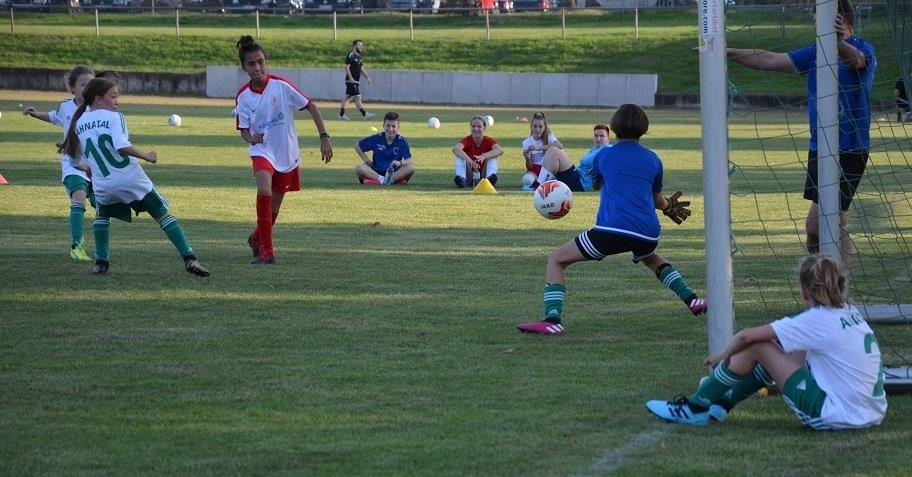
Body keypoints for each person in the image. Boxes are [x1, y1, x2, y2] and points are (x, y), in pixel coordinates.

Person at [517, 104, 706, 336]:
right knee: (650, 257)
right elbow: (657, 199)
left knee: (556, 259)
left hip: (612, 230)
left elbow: (597, 183)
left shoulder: (604, 156)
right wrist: (668, 207)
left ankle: (552, 320)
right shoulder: (653, 159)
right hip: (648, 232)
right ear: (644, 128)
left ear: (614, 128)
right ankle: (692, 299)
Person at [647, 254, 887, 430]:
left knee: (758, 346)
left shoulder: (818, 320)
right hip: (869, 413)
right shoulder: (849, 313)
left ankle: (695, 407)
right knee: (777, 347)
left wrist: (723, 356)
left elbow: (747, 337)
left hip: (834, 416)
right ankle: (721, 405)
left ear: (805, 290)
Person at [726, 0, 875, 266]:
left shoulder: (863, 48)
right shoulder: (817, 52)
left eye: (822, 20)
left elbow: (856, 60)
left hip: (850, 148)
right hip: (820, 147)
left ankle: (832, 285)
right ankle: (832, 283)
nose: (817, 26)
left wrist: (837, 42)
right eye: (815, 21)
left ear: (842, 19)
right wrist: (725, 52)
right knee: (829, 223)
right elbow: (771, 59)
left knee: (822, 224)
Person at [58, 77, 210, 277]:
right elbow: (121, 146)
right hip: (131, 179)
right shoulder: (114, 117)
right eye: (113, 97)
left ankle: (101, 263)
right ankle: (190, 258)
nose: (117, 101)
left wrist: (87, 168)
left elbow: (72, 161)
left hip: (104, 184)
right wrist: (146, 155)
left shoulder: (78, 123)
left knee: (102, 217)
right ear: (98, 99)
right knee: (162, 215)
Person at [235, 35, 334, 265]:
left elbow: (311, 106)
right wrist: (251, 137)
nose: (257, 67)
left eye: (260, 62)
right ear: (244, 68)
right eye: (251, 64)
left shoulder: (281, 85)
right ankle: (267, 252)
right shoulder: (243, 96)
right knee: (264, 190)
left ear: (266, 62)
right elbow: (243, 131)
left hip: (286, 152)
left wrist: (324, 137)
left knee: (274, 208)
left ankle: (256, 237)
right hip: (262, 151)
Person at [22, 65, 95, 262]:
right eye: (83, 84)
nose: (87, 88)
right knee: (79, 199)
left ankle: (102, 251)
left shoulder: (98, 108)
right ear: (73, 88)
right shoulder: (65, 106)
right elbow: (54, 117)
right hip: (73, 165)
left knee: (102, 204)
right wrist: (36, 114)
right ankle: (77, 246)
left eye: (91, 84)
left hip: (95, 166)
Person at [533, 123, 612, 192]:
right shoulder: (595, 149)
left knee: (555, 151)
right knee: (551, 150)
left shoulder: (607, 151)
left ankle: (538, 187)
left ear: (608, 138)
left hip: (581, 183)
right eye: (596, 136)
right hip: (576, 176)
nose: (598, 138)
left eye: (602, 136)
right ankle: (539, 183)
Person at [355, 112, 415, 186]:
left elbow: (409, 160)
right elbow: (357, 146)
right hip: (376, 172)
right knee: (359, 168)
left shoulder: (402, 141)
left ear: (398, 127)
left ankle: (383, 181)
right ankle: (386, 181)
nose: (390, 129)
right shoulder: (376, 138)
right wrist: (367, 161)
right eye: (388, 125)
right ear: (383, 125)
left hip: (394, 173)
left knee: (410, 168)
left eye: (393, 126)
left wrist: (400, 162)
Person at [453, 115, 504, 188]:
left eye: (479, 126)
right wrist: (470, 161)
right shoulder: (467, 139)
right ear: (470, 127)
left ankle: (489, 179)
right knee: (460, 157)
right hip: (469, 175)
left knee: (492, 157)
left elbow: (500, 150)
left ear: (484, 128)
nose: (476, 129)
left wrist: (484, 156)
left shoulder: (488, 140)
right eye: (473, 126)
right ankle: (462, 179)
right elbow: (456, 149)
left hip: (483, 176)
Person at [520, 111, 563, 191]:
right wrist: (527, 159)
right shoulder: (526, 143)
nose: (537, 129)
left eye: (540, 126)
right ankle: (541, 183)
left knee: (558, 183)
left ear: (544, 128)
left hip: (548, 168)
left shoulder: (549, 136)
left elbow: (559, 146)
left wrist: (538, 147)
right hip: (535, 170)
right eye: (535, 126)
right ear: (531, 127)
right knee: (527, 180)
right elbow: (530, 167)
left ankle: (543, 183)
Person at [339, 39, 375, 121]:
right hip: (351, 81)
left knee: (347, 97)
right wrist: (350, 77)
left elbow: (361, 68)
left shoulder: (359, 57)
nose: (361, 47)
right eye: (359, 45)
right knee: (357, 97)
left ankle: (341, 115)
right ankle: (365, 114)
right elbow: (346, 67)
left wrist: (367, 77)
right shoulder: (351, 55)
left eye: (361, 45)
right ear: (354, 46)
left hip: (356, 81)